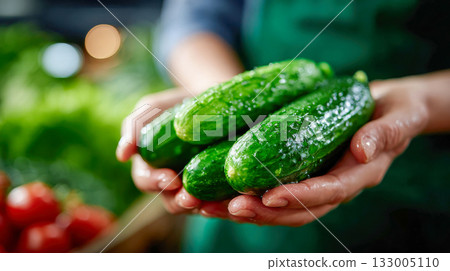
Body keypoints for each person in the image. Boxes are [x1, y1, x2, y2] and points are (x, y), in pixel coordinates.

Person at [116, 0, 450, 252]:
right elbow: (199, 14)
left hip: (417, 199)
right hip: (243, 226)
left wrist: (424, 102)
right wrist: (215, 91)